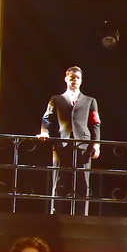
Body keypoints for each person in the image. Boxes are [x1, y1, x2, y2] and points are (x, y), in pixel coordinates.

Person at [38, 66, 101, 215]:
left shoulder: (90, 101)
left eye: (77, 78)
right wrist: (44, 132)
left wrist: (96, 144)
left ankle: (82, 216)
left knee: (83, 182)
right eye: (72, 77)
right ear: (66, 79)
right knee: (60, 179)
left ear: (81, 81)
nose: (74, 80)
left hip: (83, 144)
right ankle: (56, 215)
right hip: (62, 143)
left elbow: (95, 123)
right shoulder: (56, 99)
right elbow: (47, 118)